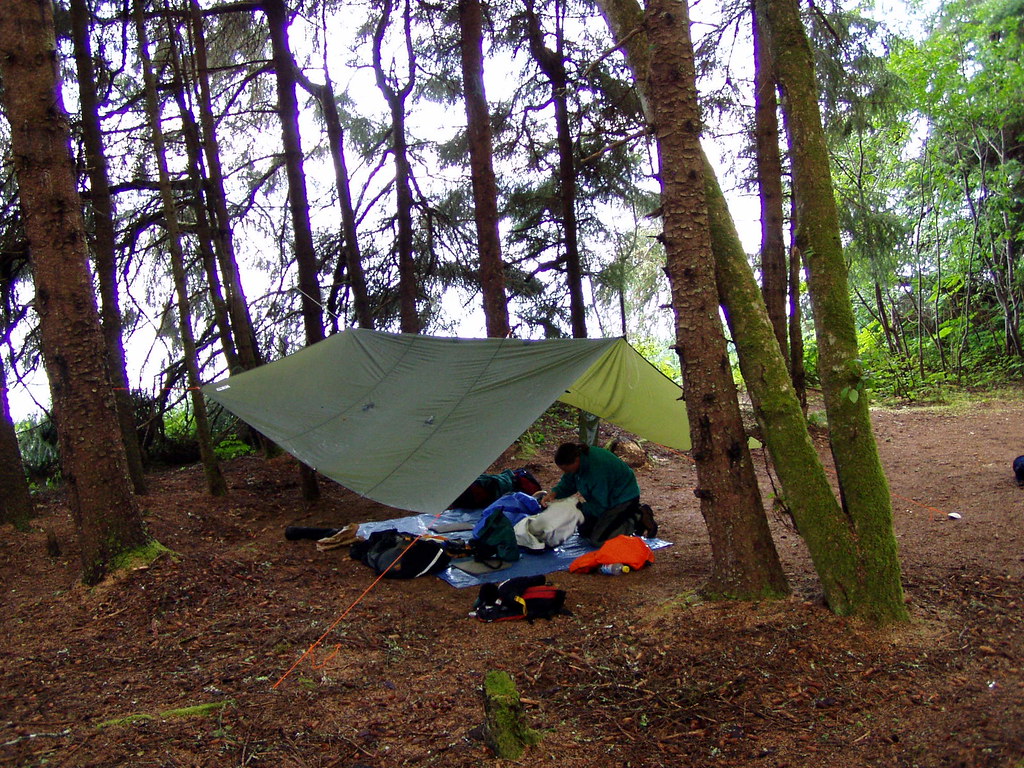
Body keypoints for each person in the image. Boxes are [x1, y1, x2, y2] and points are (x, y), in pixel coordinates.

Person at [540, 442, 657, 544]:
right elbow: (569, 481)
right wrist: (554, 494)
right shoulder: (578, 462)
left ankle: (637, 517)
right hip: (604, 500)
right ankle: (621, 519)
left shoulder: (597, 470)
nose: (566, 472)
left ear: (576, 460)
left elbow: (602, 505)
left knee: (599, 540)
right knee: (585, 531)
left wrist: (578, 508)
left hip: (622, 499)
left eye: (567, 469)